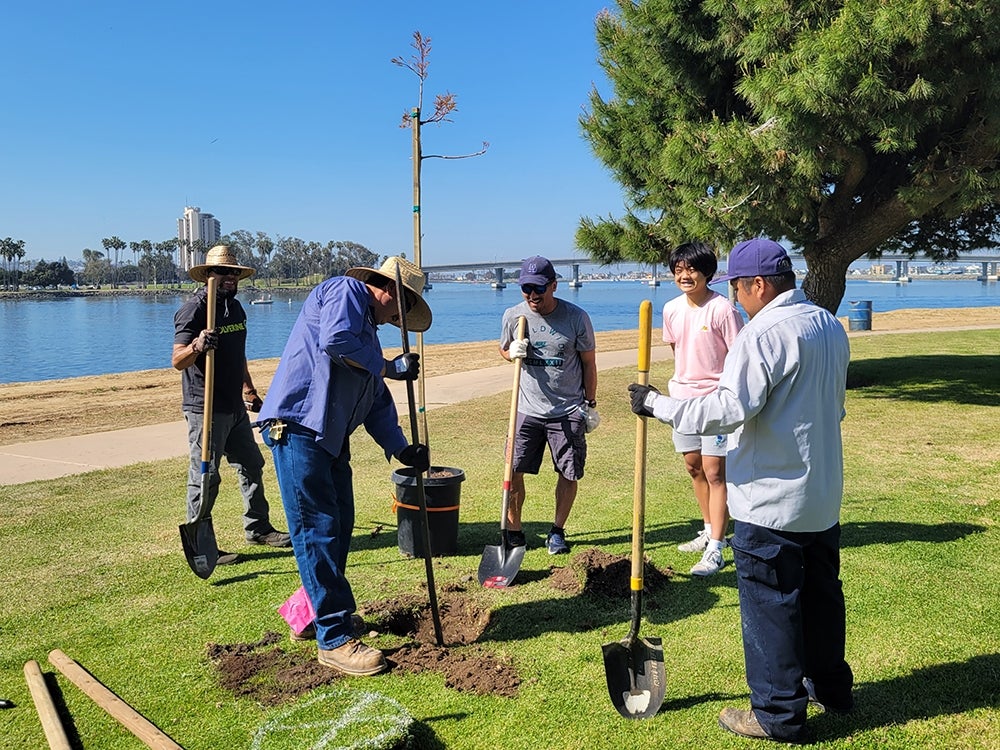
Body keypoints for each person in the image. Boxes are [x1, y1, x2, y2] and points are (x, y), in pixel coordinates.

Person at [628, 238, 853, 743]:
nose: (734, 296)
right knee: (821, 597)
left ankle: (777, 713)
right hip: (819, 495)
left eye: (736, 285)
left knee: (771, 606)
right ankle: (832, 688)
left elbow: (728, 408)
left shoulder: (762, 333)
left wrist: (658, 405)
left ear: (757, 284)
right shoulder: (828, 325)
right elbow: (833, 405)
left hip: (770, 501)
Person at [256, 256, 431, 677]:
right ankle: (334, 638)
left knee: (340, 524)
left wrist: (403, 450)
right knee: (317, 528)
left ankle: (313, 613)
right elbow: (335, 340)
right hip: (298, 429)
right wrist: (389, 367)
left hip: (330, 440)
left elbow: (374, 400)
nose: (397, 319)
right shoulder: (346, 292)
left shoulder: (367, 334)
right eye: (401, 309)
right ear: (391, 292)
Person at [172, 245, 291, 566]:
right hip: (205, 408)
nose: (229, 278)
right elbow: (177, 360)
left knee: (252, 465)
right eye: (223, 273)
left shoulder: (236, 309)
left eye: (234, 273)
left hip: (234, 407)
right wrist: (197, 344)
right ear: (209, 275)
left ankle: (258, 529)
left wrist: (250, 391)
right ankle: (200, 546)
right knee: (206, 475)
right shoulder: (194, 310)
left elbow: (238, 357)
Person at [499, 255, 598, 555]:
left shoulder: (576, 318)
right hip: (526, 408)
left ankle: (557, 531)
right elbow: (503, 349)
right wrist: (510, 353)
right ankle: (514, 532)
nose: (532, 295)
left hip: (566, 410)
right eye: (526, 288)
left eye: (539, 288)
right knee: (513, 471)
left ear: (554, 285)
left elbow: (589, 363)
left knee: (568, 472)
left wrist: (589, 404)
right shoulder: (514, 316)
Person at [661, 242, 744, 576]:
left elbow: (738, 356)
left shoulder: (723, 309)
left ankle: (717, 548)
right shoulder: (670, 309)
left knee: (714, 471)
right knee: (694, 467)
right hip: (682, 400)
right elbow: (676, 349)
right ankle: (709, 528)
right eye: (679, 270)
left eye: (692, 269)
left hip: (715, 402)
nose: (685, 275)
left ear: (708, 272)